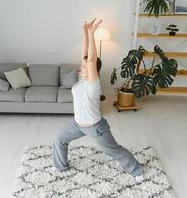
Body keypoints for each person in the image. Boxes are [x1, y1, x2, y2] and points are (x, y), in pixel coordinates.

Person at [52, 18, 144, 182]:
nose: (81, 67)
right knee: (59, 139)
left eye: (85, 66)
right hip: (78, 124)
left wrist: (92, 34)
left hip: (95, 128)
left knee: (113, 150)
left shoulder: (93, 85)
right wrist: (84, 33)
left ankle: (137, 170)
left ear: (93, 69)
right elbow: (85, 55)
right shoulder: (81, 81)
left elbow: (91, 59)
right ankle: (61, 167)